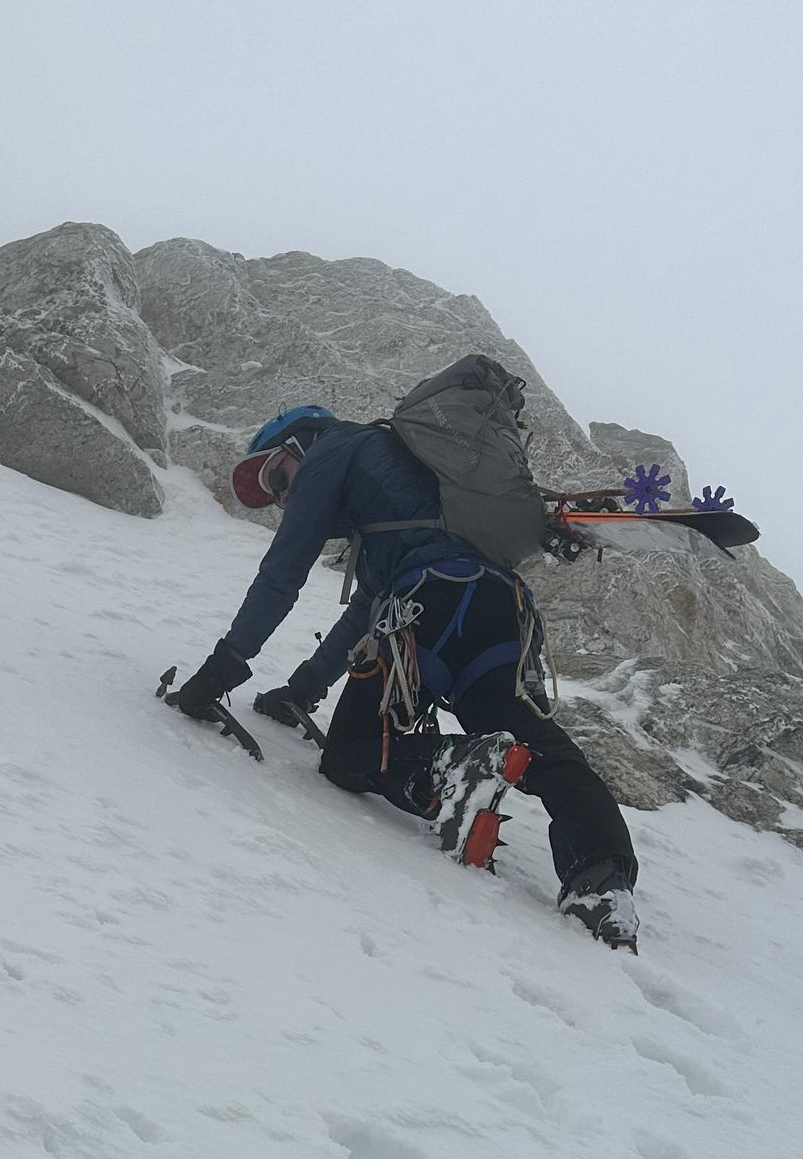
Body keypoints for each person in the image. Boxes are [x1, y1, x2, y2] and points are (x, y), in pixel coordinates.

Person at [168, 406, 641, 947]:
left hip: (423, 606)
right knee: (535, 739)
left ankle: (455, 767)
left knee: (352, 754)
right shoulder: (406, 496)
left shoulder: (334, 448)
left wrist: (221, 669)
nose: (281, 500)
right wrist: (304, 688)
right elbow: (363, 611)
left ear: (300, 443)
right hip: (497, 611)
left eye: (277, 479)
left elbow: (284, 571)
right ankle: (602, 883)